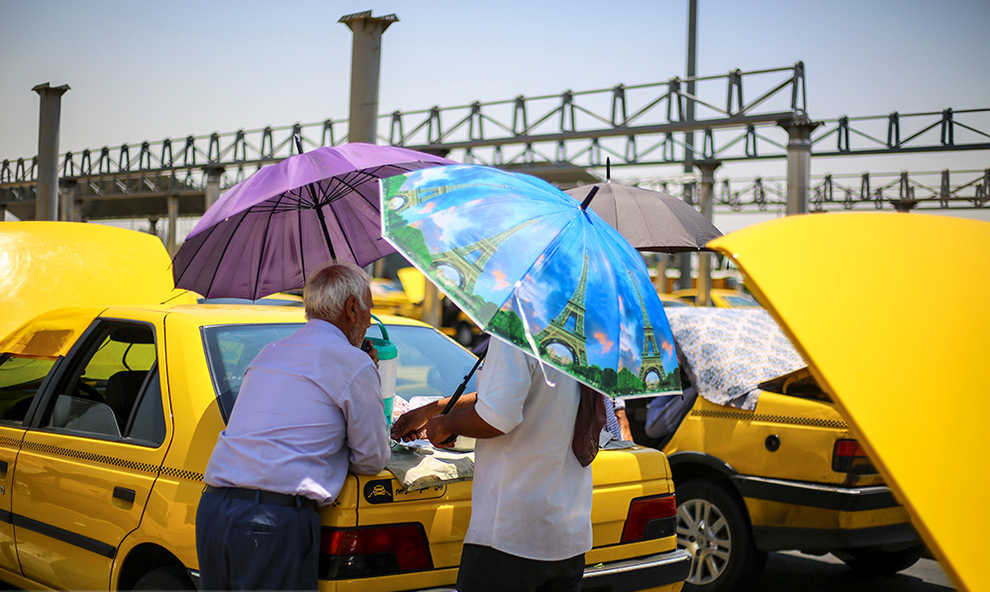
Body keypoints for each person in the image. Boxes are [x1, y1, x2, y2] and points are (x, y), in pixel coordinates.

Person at [196, 261, 391, 591]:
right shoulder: (352, 362)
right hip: (272, 524)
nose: (369, 321)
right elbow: (372, 459)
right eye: (369, 310)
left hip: (215, 512)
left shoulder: (270, 352)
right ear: (352, 307)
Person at [391, 337, 592, 592]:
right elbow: (505, 395)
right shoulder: (581, 333)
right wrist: (434, 410)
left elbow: (497, 416)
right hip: (568, 537)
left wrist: (446, 425)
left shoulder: (517, 327)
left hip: (511, 537)